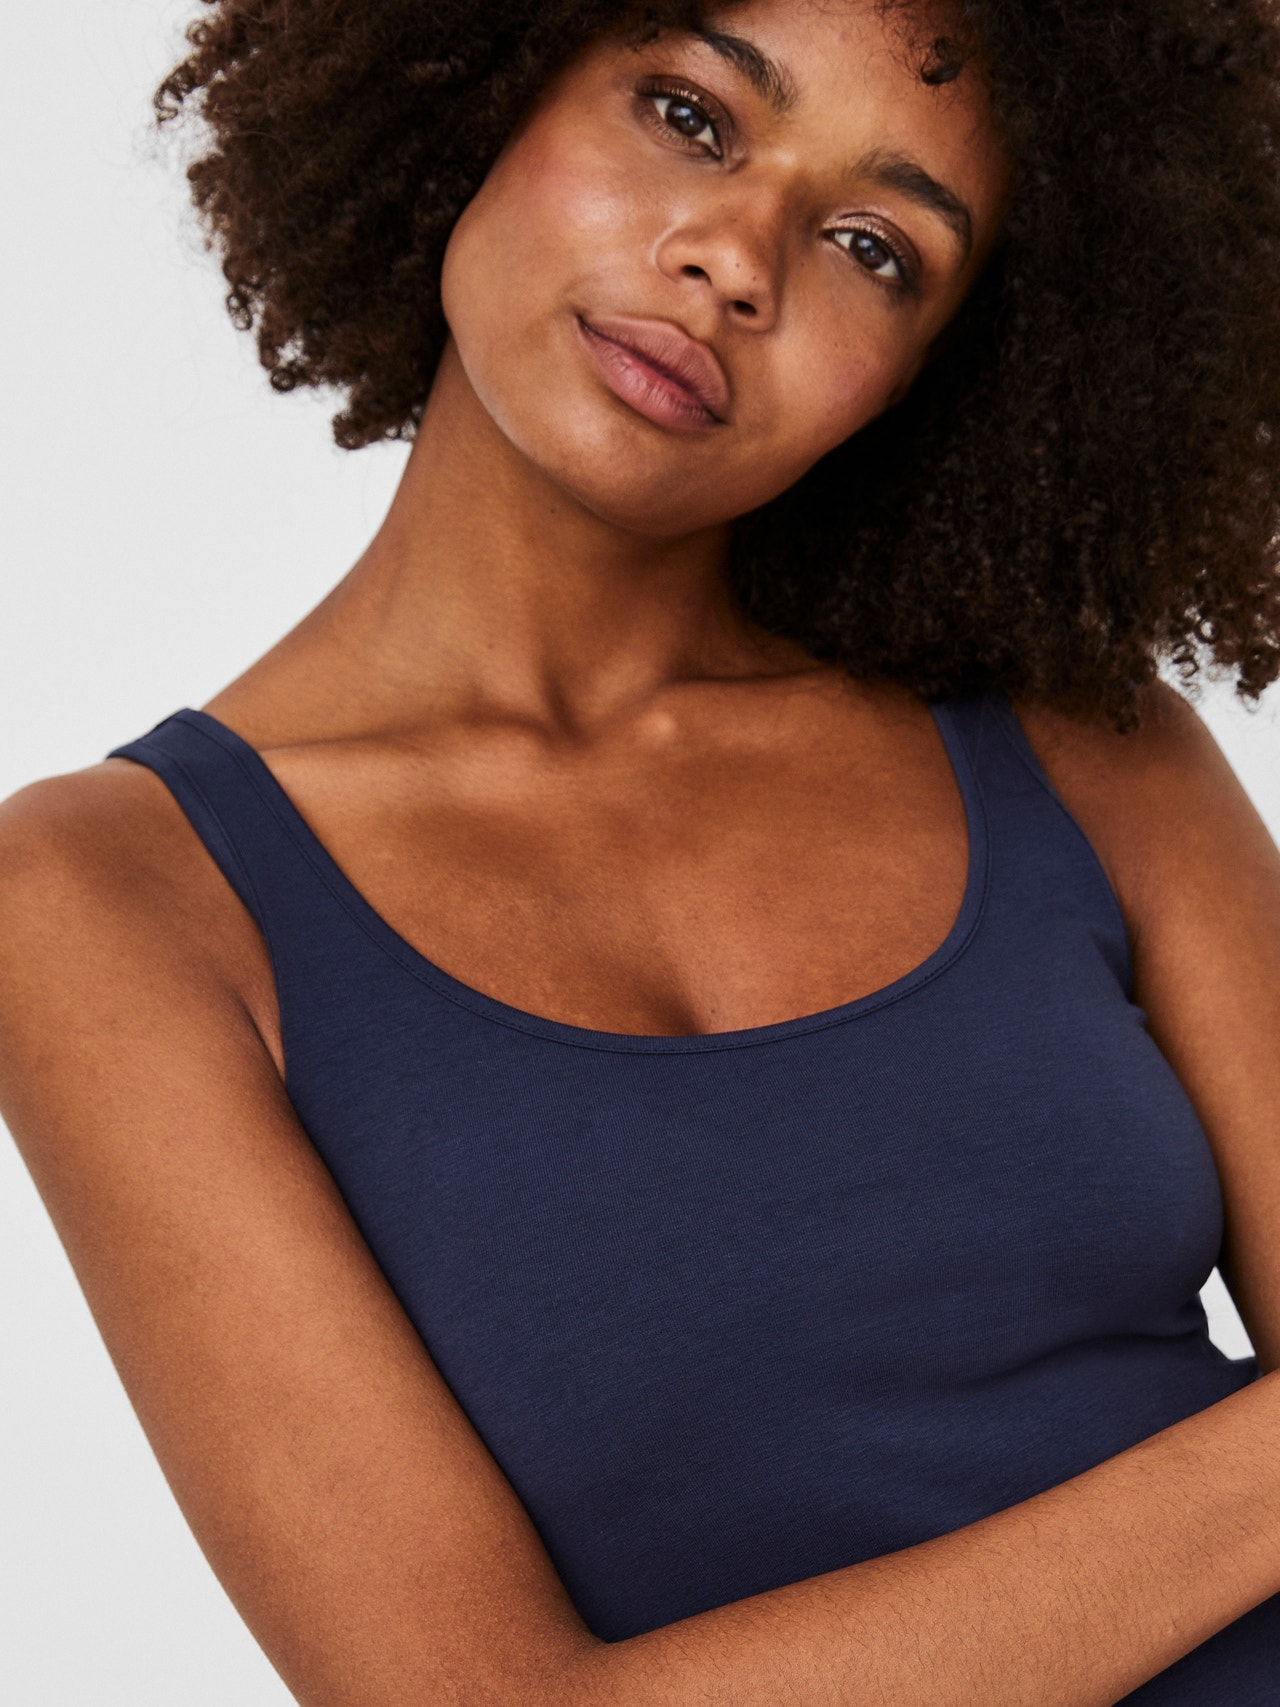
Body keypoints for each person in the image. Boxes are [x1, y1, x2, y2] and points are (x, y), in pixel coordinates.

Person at [3, 0, 1280, 1698]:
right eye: (689, 116)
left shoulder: (1081, 747)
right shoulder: (112, 895)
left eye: (874, 249)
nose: (735, 262)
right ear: (488, 89)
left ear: (945, 371)